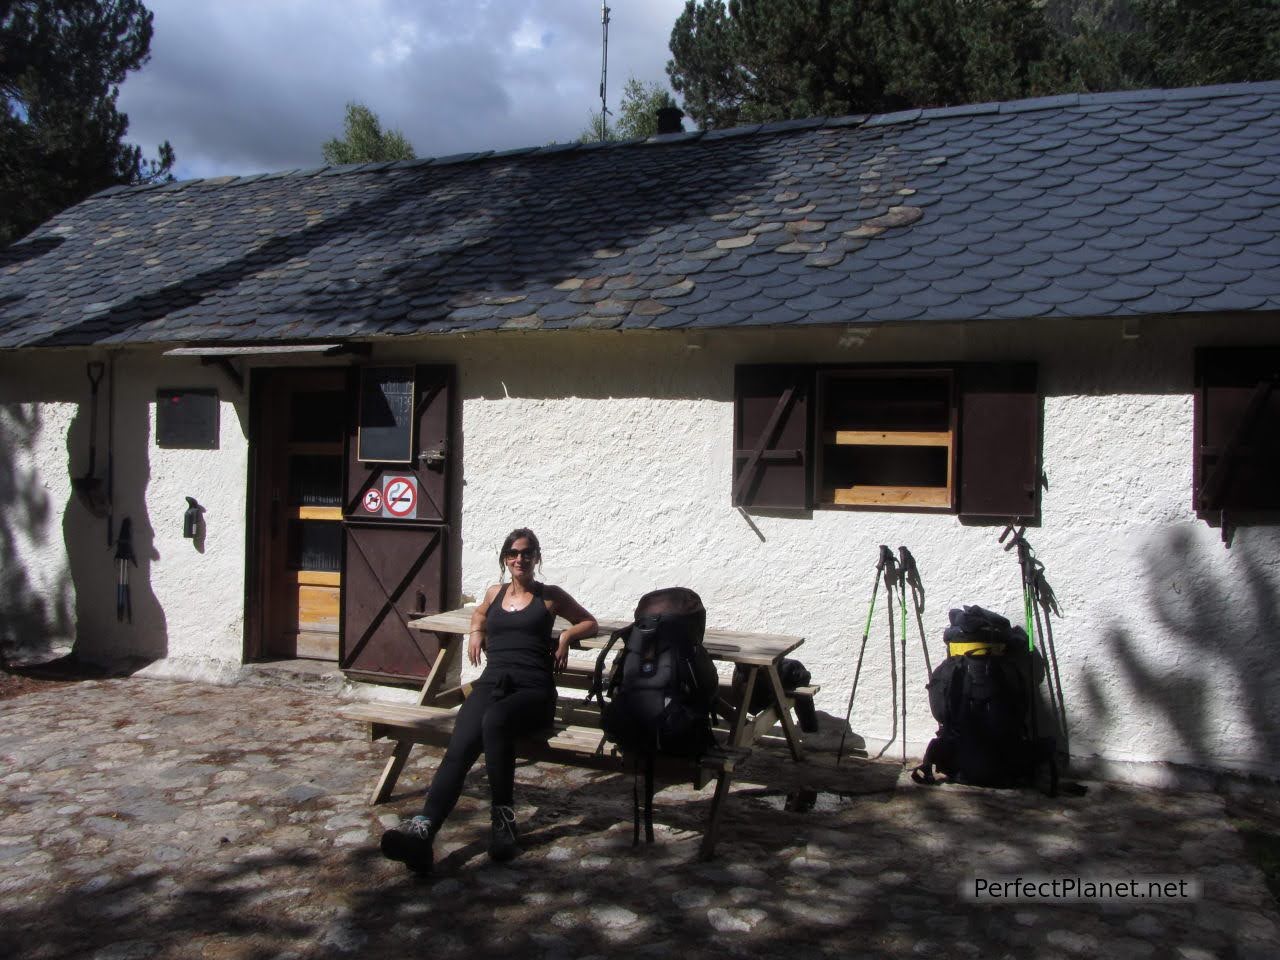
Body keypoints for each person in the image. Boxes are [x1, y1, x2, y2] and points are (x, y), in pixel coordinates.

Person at [380, 528, 597, 873]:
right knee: (462, 741)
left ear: (536, 557)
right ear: (504, 558)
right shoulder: (494, 593)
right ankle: (423, 833)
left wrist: (567, 635)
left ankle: (504, 822)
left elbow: (589, 621)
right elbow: (479, 613)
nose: (519, 559)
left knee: (494, 720)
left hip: (533, 691)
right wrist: (475, 631)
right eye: (512, 553)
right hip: (492, 683)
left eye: (526, 553)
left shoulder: (549, 596)